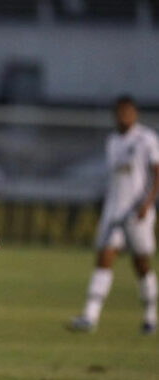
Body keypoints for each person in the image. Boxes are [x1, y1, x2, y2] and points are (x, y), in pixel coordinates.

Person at [69, 95, 159, 335]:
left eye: (126, 112)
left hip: (137, 212)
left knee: (141, 264)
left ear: (134, 113)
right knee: (103, 259)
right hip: (113, 211)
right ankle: (90, 316)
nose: (122, 117)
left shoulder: (146, 140)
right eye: (118, 113)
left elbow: (156, 173)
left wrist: (147, 203)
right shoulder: (112, 141)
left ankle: (150, 315)